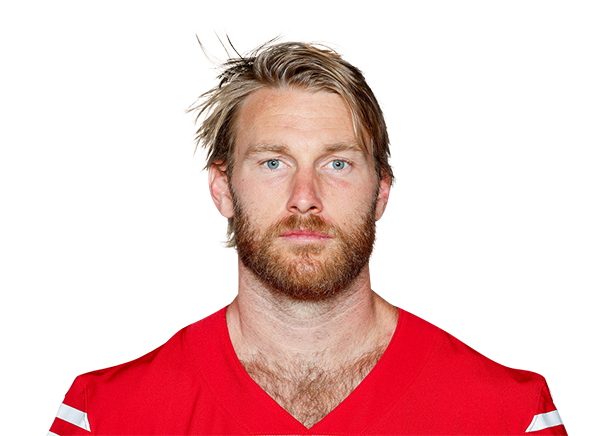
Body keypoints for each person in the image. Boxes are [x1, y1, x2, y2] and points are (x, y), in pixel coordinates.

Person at [49, 40, 565, 435]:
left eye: (337, 163)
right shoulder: (106, 416)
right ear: (222, 189)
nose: (304, 197)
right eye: (273, 163)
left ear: (381, 192)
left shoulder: (510, 416)